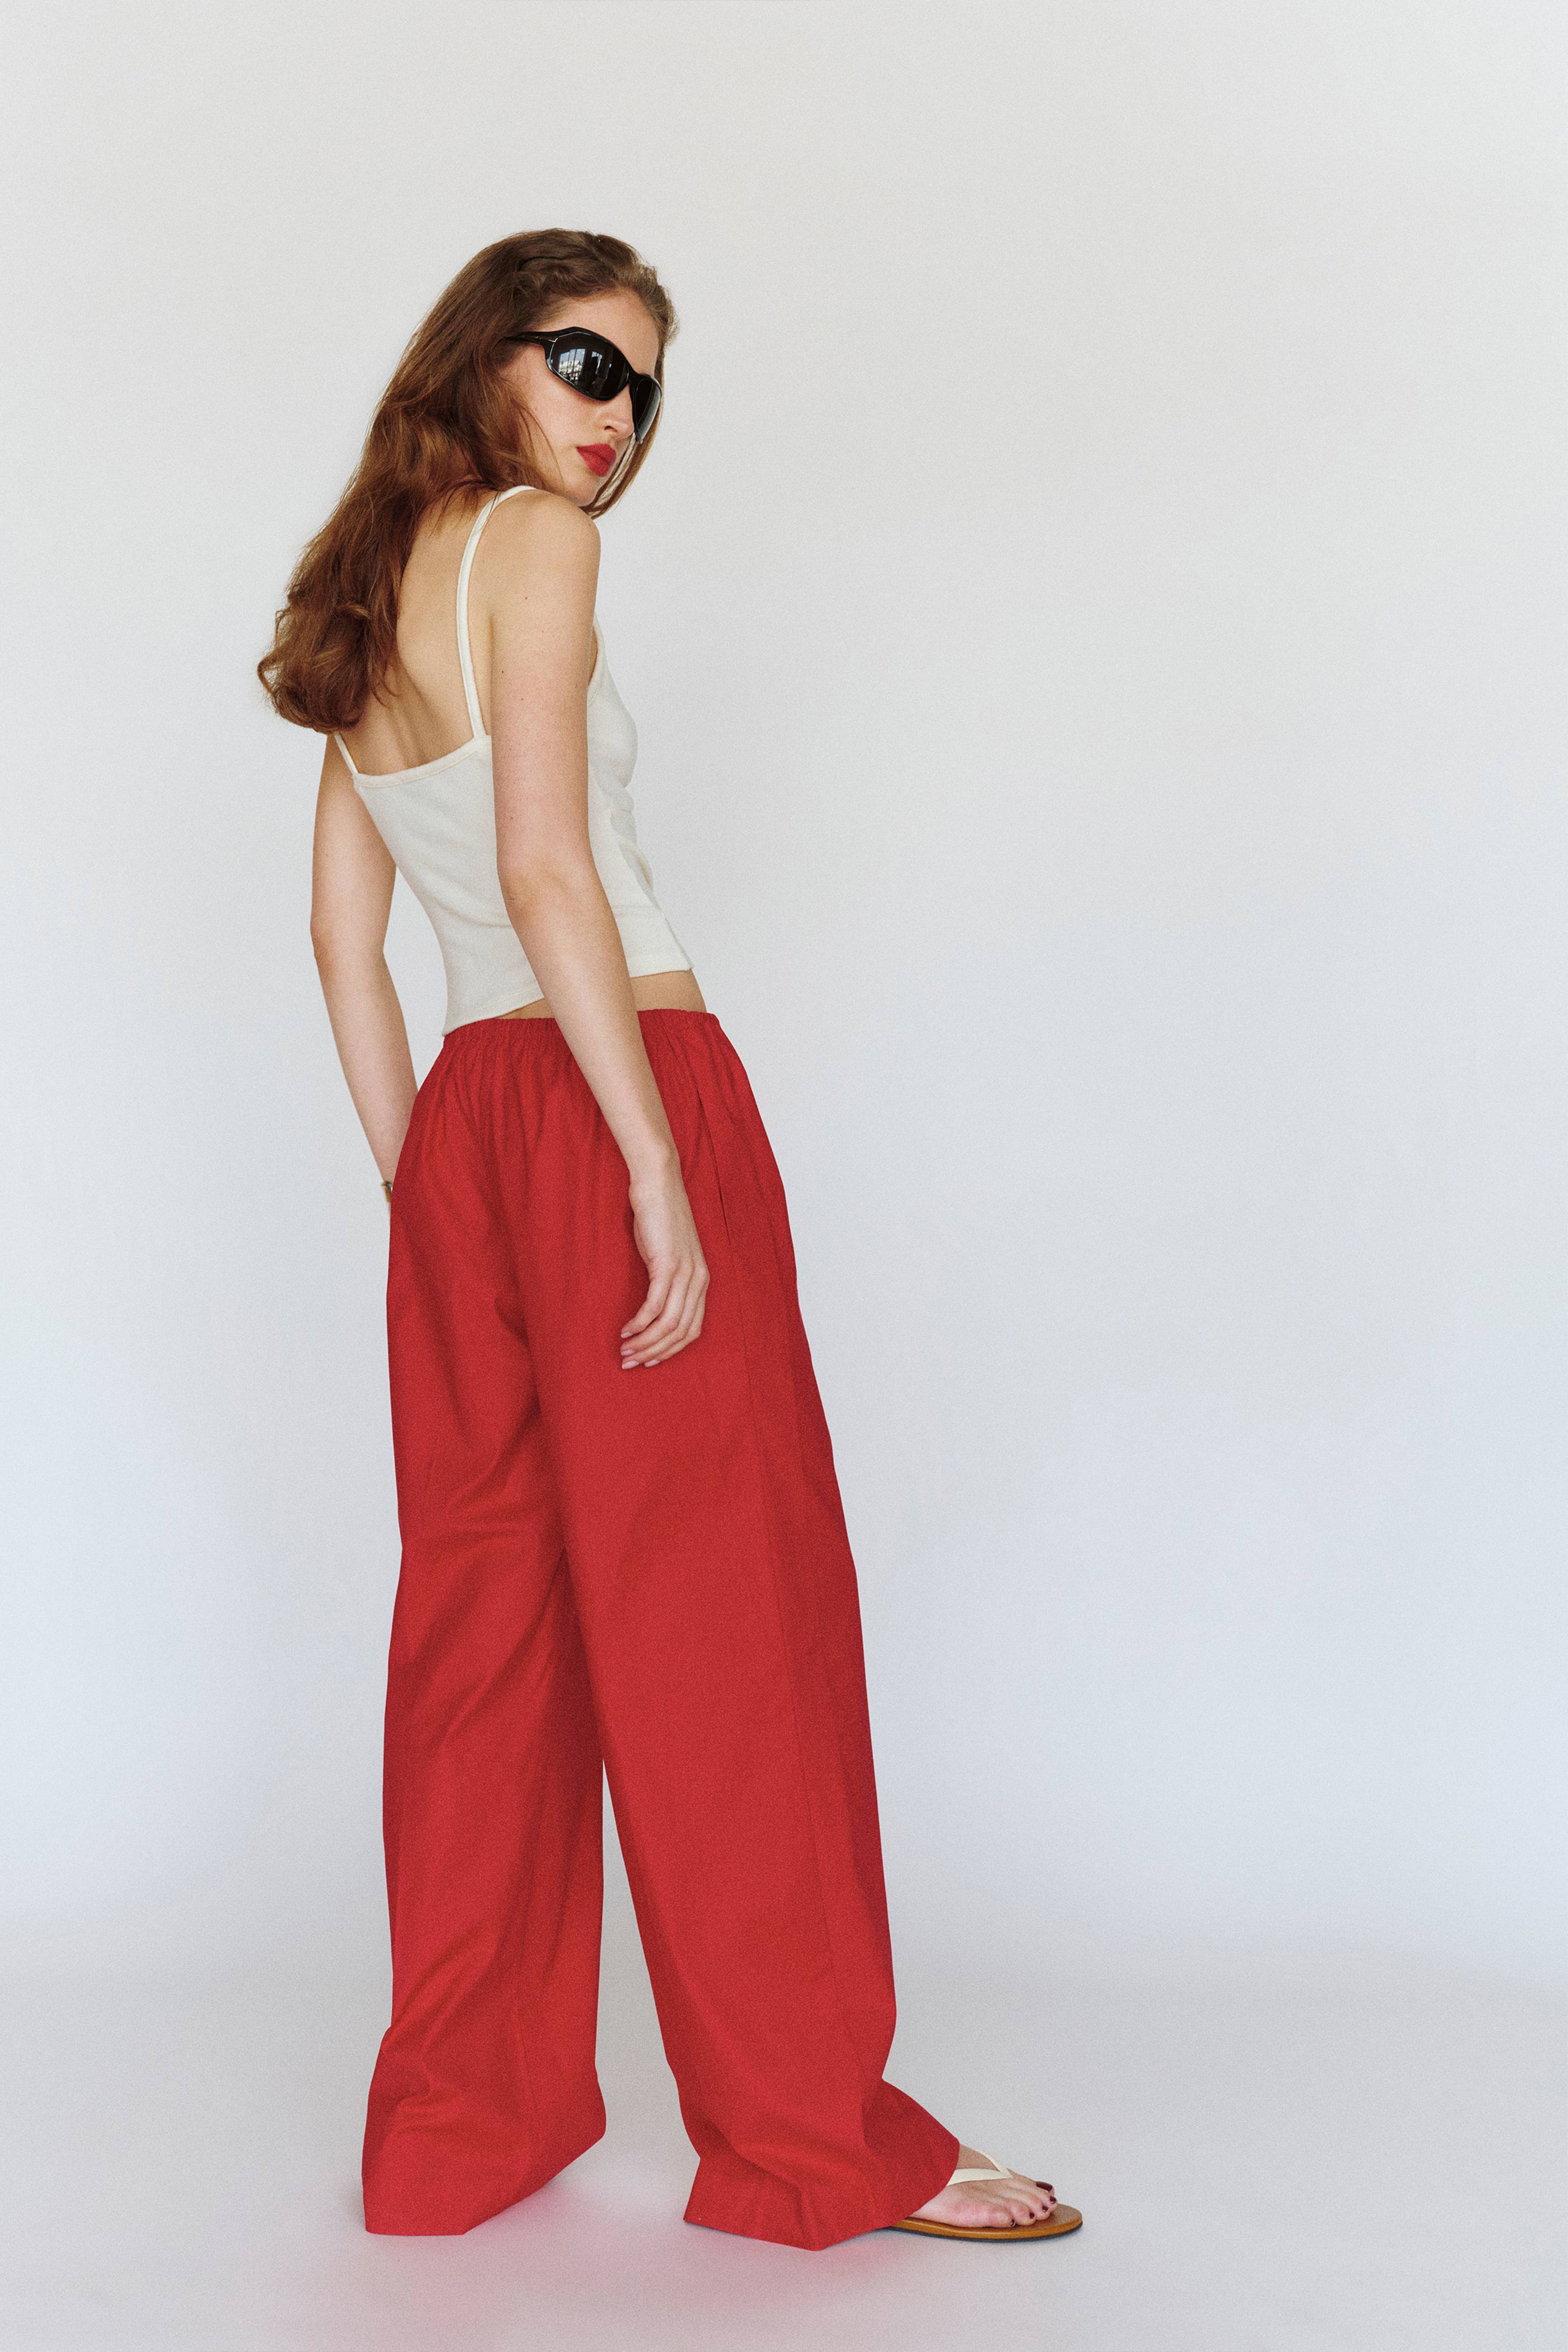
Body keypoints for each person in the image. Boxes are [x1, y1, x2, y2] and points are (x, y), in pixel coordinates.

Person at [258, 228, 1080, 2253]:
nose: (616, 415)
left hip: (467, 1132)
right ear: (483, 355)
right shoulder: (533, 543)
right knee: (729, 1620)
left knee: (485, 1643)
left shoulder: (364, 586)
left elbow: (346, 947)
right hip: (621, 1078)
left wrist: (427, 1188)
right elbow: (547, 862)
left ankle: (462, 2129)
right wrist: (642, 1157)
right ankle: (810, 2136)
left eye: (640, 385)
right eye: (583, 361)